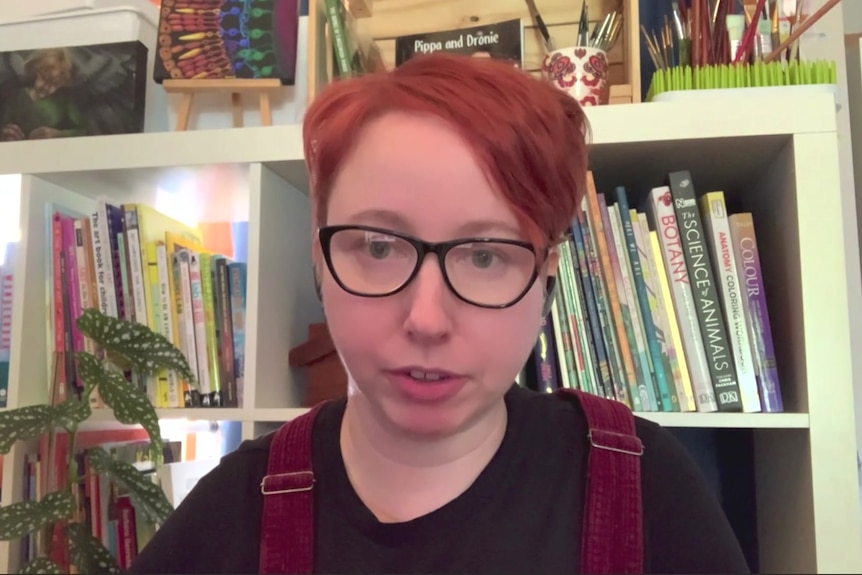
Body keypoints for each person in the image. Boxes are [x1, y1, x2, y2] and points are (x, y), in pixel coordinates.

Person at [127, 53, 750, 574]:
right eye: (376, 247)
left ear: (548, 275)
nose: (426, 319)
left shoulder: (643, 488)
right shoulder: (234, 512)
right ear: (319, 255)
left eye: (485, 255)